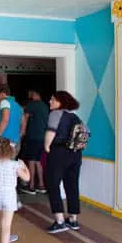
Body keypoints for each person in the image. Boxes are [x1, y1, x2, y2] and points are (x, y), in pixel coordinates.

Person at [44, 91, 83, 234]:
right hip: (75, 154)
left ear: (61, 102)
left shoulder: (56, 114)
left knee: (52, 184)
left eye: (53, 99)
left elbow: (51, 131)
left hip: (59, 153)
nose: (50, 101)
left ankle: (60, 220)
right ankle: (73, 219)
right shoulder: (75, 117)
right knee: (72, 185)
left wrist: (47, 146)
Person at [0, 137, 31, 243]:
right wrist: (24, 166)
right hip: (9, 195)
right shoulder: (15, 165)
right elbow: (27, 178)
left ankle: (6, 236)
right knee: (6, 225)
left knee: (3, 219)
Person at [20, 90, 49, 195]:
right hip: (42, 137)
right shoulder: (45, 106)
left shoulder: (32, 105)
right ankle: (41, 185)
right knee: (38, 161)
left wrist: (22, 131)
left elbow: (25, 118)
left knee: (31, 161)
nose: (30, 97)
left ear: (34, 94)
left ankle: (31, 185)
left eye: (30, 95)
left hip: (33, 137)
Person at [0, 84, 22, 152]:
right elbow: (22, 122)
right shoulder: (17, 105)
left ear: (2, 94)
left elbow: (5, 119)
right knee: (11, 162)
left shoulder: (4, 102)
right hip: (16, 140)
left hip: (5, 140)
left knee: (2, 162)